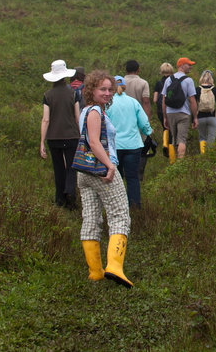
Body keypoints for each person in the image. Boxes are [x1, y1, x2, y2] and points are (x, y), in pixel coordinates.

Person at [77, 70, 133, 287]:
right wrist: (109, 165)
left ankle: (95, 272)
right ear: (91, 90)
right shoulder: (95, 112)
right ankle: (115, 267)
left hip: (84, 172)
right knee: (120, 215)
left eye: (110, 89)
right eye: (103, 89)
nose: (108, 93)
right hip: (102, 170)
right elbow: (93, 141)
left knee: (91, 218)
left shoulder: (84, 111)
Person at [106, 76, 152, 209]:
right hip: (133, 145)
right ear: (125, 87)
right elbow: (144, 123)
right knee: (132, 178)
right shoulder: (133, 102)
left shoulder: (108, 104)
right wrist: (148, 132)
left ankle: (117, 206)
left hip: (114, 147)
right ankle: (135, 205)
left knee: (116, 178)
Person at [40, 59, 80, 209]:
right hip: (71, 135)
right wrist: (81, 135)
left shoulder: (47, 95)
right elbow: (77, 117)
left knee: (58, 168)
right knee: (71, 167)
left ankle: (60, 199)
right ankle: (70, 194)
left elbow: (45, 119)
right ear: (65, 76)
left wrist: (42, 142)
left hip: (53, 137)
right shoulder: (73, 93)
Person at [161, 57, 198, 161]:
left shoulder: (168, 79)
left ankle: (173, 162)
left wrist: (165, 117)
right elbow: (192, 100)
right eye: (189, 65)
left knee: (173, 139)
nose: (190, 67)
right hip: (183, 113)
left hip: (170, 113)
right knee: (181, 139)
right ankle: (180, 163)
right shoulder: (188, 80)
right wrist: (195, 117)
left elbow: (164, 99)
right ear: (181, 65)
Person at [123, 60, 151, 181]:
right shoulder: (143, 83)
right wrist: (146, 120)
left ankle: (123, 172)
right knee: (140, 146)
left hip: (122, 119)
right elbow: (146, 101)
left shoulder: (120, 83)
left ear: (126, 70)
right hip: (138, 119)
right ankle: (138, 174)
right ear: (138, 70)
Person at [196, 70, 216, 152]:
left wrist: (193, 120)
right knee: (211, 140)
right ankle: (209, 158)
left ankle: (203, 155)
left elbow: (193, 105)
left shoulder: (197, 89)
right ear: (211, 78)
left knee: (202, 138)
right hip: (212, 118)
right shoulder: (215, 89)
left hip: (200, 118)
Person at [153, 62, 174, 152]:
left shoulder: (158, 83)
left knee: (165, 127)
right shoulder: (174, 81)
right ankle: (172, 149)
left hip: (161, 110)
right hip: (172, 109)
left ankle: (165, 144)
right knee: (173, 130)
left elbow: (154, 99)